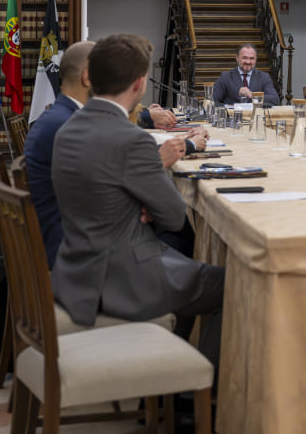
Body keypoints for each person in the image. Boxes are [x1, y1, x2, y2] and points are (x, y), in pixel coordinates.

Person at [51, 33, 225, 362]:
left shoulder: (66, 130)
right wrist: (144, 200)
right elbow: (174, 217)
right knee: (229, 286)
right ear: (139, 84)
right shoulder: (132, 140)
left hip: (75, 273)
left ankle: (168, 366)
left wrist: (135, 200)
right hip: (122, 280)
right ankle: (195, 386)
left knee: (190, 273)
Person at [24, 40, 95, 268]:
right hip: (66, 249)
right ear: (87, 77)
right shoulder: (69, 125)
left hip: (55, 232)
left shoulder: (60, 114)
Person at [212, 43, 281, 105]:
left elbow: (275, 100)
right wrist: (227, 107)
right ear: (237, 58)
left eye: (252, 58)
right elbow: (212, 100)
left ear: (256, 59)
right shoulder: (226, 77)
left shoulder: (264, 77)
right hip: (233, 114)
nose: (248, 62)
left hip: (256, 114)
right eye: (244, 58)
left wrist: (253, 96)